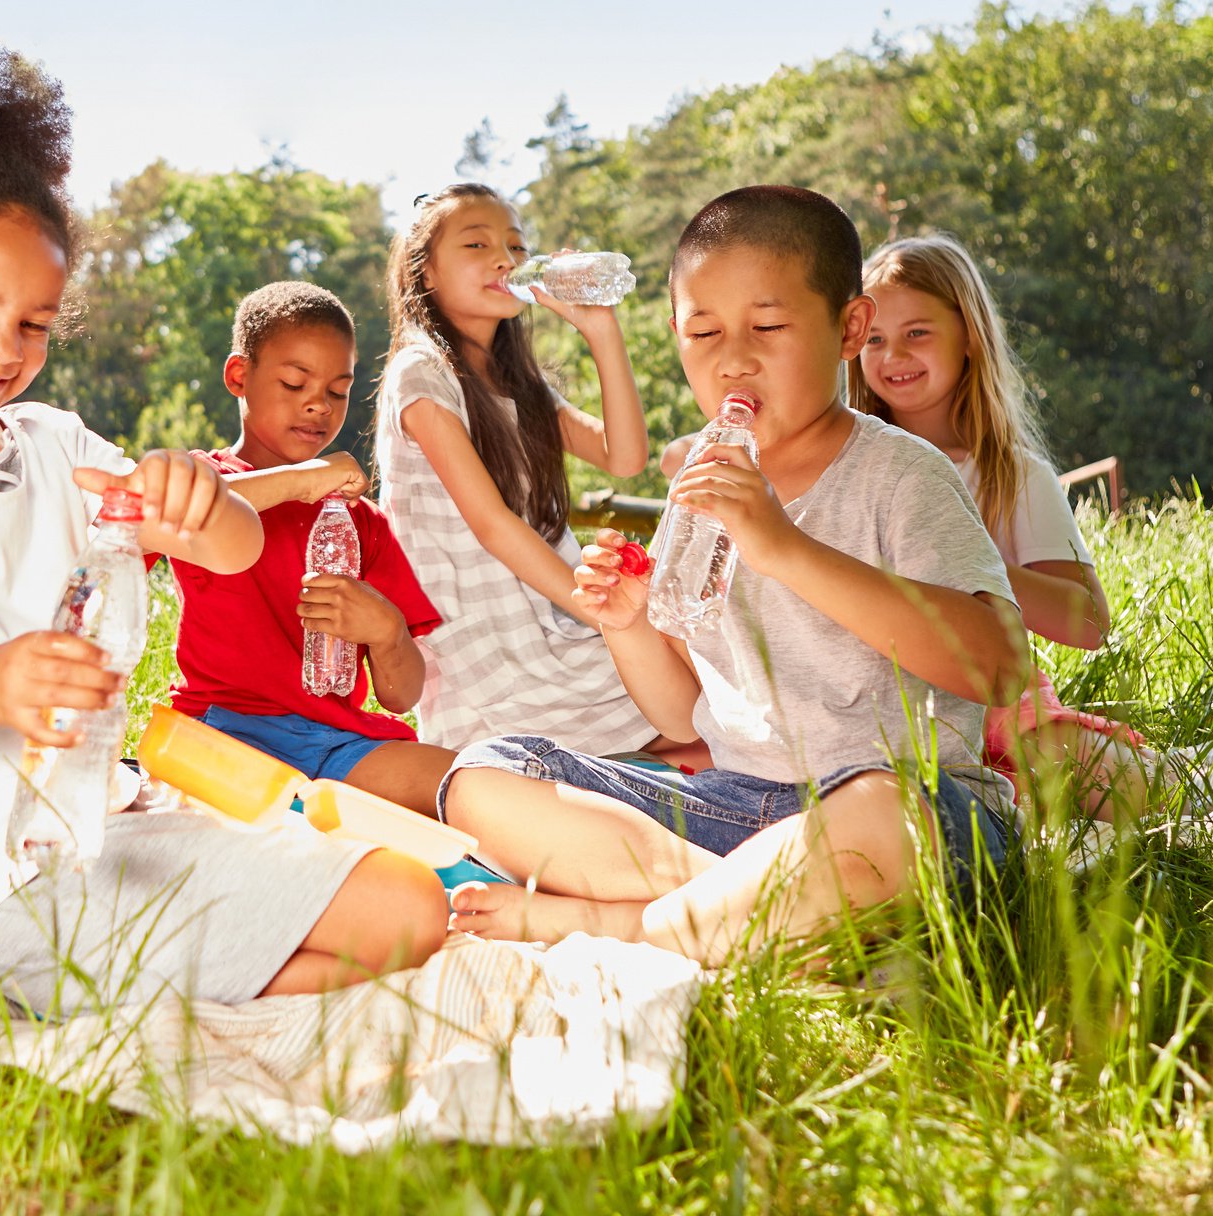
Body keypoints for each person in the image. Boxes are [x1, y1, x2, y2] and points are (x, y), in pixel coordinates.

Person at [0, 34, 446, 1013]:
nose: (1, 349)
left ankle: (179, 986)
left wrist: (195, 499)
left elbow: (228, 542)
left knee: (409, 902)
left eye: (33, 322)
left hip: (100, 834)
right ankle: (111, 988)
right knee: (366, 938)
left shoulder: (54, 444)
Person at [440, 185, 1031, 965]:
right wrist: (627, 626)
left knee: (882, 818)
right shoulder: (703, 488)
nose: (733, 358)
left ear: (850, 328)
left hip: (906, 803)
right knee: (482, 777)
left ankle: (635, 927)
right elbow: (686, 715)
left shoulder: (899, 473)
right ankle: (747, 908)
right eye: (703, 332)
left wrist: (784, 546)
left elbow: (999, 665)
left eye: (770, 327)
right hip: (741, 810)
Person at [854, 233, 1151, 819]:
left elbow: (1089, 620)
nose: (893, 356)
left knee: (1122, 784)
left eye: (917, 333)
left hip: (995, 706)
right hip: (869, 708)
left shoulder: (1011, 475)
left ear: (968, 335)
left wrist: (972, 565)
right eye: (874, 340)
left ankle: (1007, 804)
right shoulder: (844, 468)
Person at [374, 182, 675, 757]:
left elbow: (626, 457)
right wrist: (597, 608)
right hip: (486, 646)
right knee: (692, 724)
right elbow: (490, 523)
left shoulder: (518, 384)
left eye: (515, 246)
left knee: (700, 705)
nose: (505, 260)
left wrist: (601, 330)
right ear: (426, 274)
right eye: (476, 244)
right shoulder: (421, 372)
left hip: (554, 626)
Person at [161, 280, 454, 816]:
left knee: (463, 785)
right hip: (224, 733)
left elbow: (402, 695)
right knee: (290, 833)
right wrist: (305, 478)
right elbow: (187, 511)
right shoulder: (211, 477)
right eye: (295, 384)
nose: (318, 405)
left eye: (338, 392)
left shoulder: (362, 524)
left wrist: (386, 633)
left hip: (337, 744)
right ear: (239, 377)